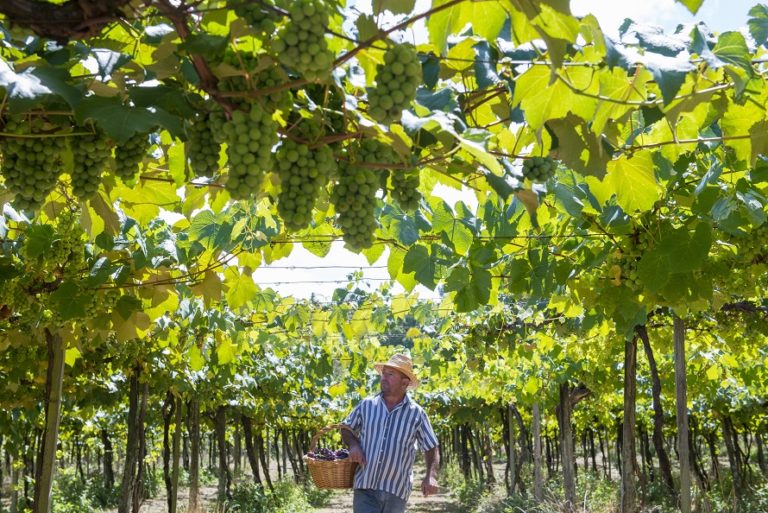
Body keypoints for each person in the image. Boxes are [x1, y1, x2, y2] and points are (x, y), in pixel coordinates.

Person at [341, 354, 440, 513]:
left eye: (390, 374)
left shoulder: (417, 414)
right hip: (365, 486)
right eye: (383, 373)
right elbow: (346, 428)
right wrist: (353, 445)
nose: (383, 378)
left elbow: (431, 446)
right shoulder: (367, 405)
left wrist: (431, 476)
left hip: (396, 491)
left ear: (404, 383)